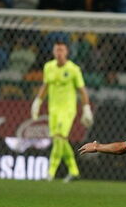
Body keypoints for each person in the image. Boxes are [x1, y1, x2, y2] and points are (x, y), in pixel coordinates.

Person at [31, 41, 94, 181]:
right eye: (57, 50)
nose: (59, 53)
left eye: (62, 50)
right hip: (52, 110)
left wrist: (86, 108)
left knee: (59, 137)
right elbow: (45, 86)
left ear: (66, 52)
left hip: (68, 110)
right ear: (54, 52)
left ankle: (50, 172)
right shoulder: (48, 67)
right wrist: (37, 101)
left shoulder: (73, 69)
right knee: (60, 140)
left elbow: (82, 91)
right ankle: (74, 170)